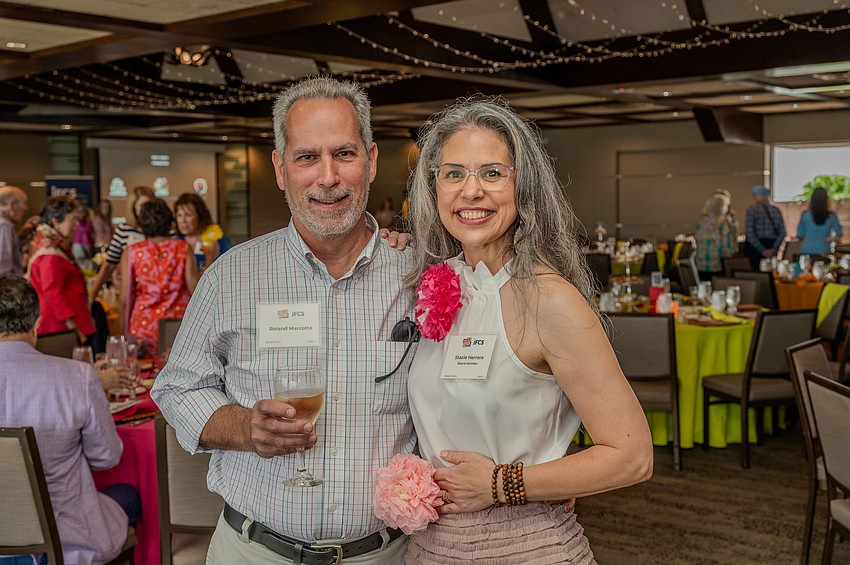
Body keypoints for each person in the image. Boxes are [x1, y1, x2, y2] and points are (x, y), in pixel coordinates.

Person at [152, 76, 415, 563]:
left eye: (345, 154)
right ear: (280, 167)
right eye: (307, 157)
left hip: (388, 555)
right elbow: (176, 387)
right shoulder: (230, 276)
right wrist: (243, 426)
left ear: (372, 160)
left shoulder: (420, 277)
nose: (328, 177)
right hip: (255, 550)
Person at [404, 99, 653, 564]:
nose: (471, 191)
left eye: (493, 174)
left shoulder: (551, 300)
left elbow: (632, 455)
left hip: (526, 547)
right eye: (453, 174)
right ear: (433, 187)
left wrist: (501, 483)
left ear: (524, 186)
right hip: (434, 547)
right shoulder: (438, 283)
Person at [0, 275, 139, 565]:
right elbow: (106, 457)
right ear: (37, 324)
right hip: (65, 536)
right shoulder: (76, 376)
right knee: (129, 495)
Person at [122, 199, 198, 355]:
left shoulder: (132, 252)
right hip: (177, 326)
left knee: (143, 374)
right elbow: (195, 290)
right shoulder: (182, 248)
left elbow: (125, 298)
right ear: (170, 223)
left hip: (143, 326)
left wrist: (123, 334)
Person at [26, 196, 97, 345]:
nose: (77, 225)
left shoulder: (52, 246)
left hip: (59, 322)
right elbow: (53, 292)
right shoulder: (50, 253)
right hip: (59, 326)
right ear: (55, 221)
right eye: (72, 219)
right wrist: (73, 327)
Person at [88, 185, 155, 303]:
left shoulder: (165, 231)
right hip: (131, 294)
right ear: (133, 208)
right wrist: (93, 294)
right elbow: (109, 264)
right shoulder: (124, 230)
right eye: (142, 206)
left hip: (158, 293)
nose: (146, 210)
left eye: (149, 205)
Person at [174, 192, 232, 271]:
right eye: (179, 215)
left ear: (200, 216)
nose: (182, 220)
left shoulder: (220, 241)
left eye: (188, 215)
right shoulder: (174, 243)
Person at [694, 193, 737, 281]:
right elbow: (729, 245)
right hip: (718, 264)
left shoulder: (701, 220)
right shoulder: (724, 221)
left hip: (701, 264)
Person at [744, 185, 786, 269]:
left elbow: (749, 233)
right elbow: (782, 232)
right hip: (771, 245)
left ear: (756, 196)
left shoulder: (751, 210)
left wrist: (762, 250)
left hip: (755, 248)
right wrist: (774, 249)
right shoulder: (776, 210)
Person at [797, 186, 843, 255]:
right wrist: (830, 239)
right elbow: (839, 234)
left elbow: (800, 235)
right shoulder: (832, 216)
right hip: (824, 251)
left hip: (806, 250)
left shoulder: (805, 215)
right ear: (826, 200)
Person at [0, 185, 28, 277]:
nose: (26, 209)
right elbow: (4, 267)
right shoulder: (5, 226)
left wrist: (21, 237)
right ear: (12, 206)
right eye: (24, 204)